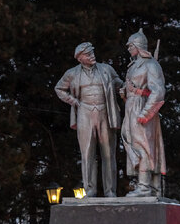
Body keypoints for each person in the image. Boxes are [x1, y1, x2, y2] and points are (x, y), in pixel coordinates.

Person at [54, 42, 123, 197]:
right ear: (80, 58)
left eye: (92, 52)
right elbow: (59, 88)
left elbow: (119, 84)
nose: (92, 56)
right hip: (84, 113)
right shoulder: (72, 73)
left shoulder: (106, 69)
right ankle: (90, 189)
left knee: (108, 154)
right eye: (88, 54)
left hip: (104, 112)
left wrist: (129, 88)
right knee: (87, 153)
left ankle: (110, 190)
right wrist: (74, 101)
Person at [121, 29, 166, 198]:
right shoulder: (133, 66)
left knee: (144, 145)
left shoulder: (151, 65)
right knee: (130, 140)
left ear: (137, 46)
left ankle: (145, 186)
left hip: (142, 108)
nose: (128, 49)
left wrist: (146, 112)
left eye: (130, 45)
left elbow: (159, 91)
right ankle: (148, 185)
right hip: (131, 107)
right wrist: (124, 93)